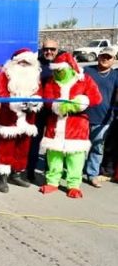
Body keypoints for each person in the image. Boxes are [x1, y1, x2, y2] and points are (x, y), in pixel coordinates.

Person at [39, 52, 102, 198]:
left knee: (75, 158)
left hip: (76, 126)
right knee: (54, 156)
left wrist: (80, 102)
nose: (57, 73)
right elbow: (47, 99)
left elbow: (96, 98)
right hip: (55, 125)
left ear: (69, 67)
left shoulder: (84, 79)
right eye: (55, 70)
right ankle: (52, 182)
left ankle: (73, 185)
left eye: (60, 70)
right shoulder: (51, 81)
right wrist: (57, 106)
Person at [0, 49, 43, 193]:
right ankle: (3, 177)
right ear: (14, 62)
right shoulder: (6, 74)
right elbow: (2, 92)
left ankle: (16, 174)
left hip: (27, 118)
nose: (24, 64)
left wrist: (34, 103)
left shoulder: (35, 76)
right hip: (8, 117)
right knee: (5, 148)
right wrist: (15, 104)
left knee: (23, 148)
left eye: (27, 62)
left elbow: (39, 93)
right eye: (21, 61)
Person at [84, 47, 118, 188]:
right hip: (82, 117)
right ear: (98, 56)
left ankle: (92, 174)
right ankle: (73, 173)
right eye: (103, 56)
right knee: (78, 148)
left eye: (109, 57)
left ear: (114, 60)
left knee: (97, 148)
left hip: (104, 119)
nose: (105, 59)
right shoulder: (86, 71)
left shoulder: (116, 75)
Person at [27, 39, 60, 181]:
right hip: (38, 111)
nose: (49, 52)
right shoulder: (35, 64)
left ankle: (51, 172)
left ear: (57, 50)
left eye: (52, 49)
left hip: (55, 112)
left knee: (53, 143)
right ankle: (30, 171)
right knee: (35, 142)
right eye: (46, 49)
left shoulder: (62, 63)